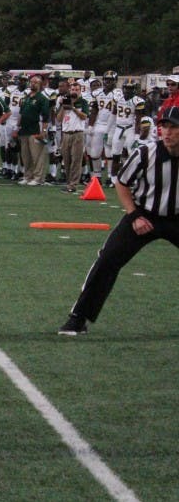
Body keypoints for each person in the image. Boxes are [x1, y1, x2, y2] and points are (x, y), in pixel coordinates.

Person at [58, 106, 179, 335]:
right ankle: (78, 317)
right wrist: (134, 215)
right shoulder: (146, 153)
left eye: (174, 127)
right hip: (144, 213)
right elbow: (121, 182)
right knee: (107, 260)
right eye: (164, 126)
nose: (167, 132)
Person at [15, 75, 51, 186]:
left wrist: (44, 131)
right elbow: (21, 113)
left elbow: (46, 116)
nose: (33, 84)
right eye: (31, 82)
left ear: (40, 84)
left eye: (35, 82)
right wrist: (17, 127)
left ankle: (38, 178)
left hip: (36, 130)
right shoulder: (26, 97)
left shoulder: (42, 99)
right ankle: (28, 176)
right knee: (26, 156)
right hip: (24, 130)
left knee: (37, 155)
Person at [57, 80, 89, 193]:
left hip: (77, 133)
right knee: (66, 159)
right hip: (66, 133)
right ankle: (68, 182)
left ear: (80, 91)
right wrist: (62, 106)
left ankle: (73, 184)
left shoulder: (83, 102)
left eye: (77, 90)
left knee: (76, 159)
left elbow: (84, 116)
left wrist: (73, 108)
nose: (74, 91)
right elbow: (59, 118)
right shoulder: (65, 101)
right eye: (72, 89)